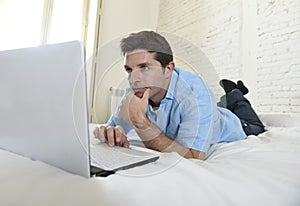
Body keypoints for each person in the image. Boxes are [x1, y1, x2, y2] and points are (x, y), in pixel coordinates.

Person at [93, 30, 264, 160]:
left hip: (239, 125)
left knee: (253, 124)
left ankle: (236, 93)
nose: (133, 79)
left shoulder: (196, 94)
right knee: (216, 107)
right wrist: (111, 133)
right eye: (129, 70)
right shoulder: (135, 92)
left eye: (144, 67)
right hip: (208, 112)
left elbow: (193, 156)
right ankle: (230, 95)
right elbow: (113, 127)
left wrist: (140, 122)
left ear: (168, 69)